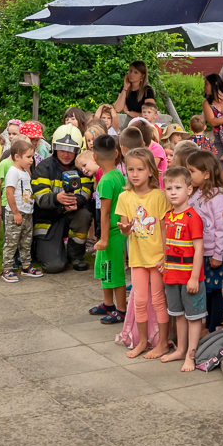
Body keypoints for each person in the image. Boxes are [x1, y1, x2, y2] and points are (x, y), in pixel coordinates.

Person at [116, 148, 171, 358]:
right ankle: (141, 342)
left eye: (140, 169)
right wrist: (125, 229)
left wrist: (166, 256)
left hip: (157, 258)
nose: (135, 174)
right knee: (139, 301)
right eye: (131, 169)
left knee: (158, 301)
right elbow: (125, 229)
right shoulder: (124, 197)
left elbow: (165, 228)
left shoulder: (159, 196)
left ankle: (163, 343)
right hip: (137, 259)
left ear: (150, 171)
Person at [159, 166, 207, 370]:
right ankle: (180, 349)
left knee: (193, 317)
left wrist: (194, 277)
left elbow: (199, 249)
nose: (173, 192)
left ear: (189, 189)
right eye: (169, 188)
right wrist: (164, 261)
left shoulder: (192, 217)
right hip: (172, 276)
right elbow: (168, 244)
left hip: (189, 278)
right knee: (178, 314)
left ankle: (191, 354)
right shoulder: (168, 216)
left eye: (178, 188)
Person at [30, 124, 95, 270]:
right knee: (54, 267)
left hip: (71, 213)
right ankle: (39, 248)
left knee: (83, 215)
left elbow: (84, 193)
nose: (66, 154)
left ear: (77, 150)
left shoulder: (83, 168)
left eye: (71, 150)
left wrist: (72, 202)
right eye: (62, 149)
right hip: (47, 220)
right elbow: (40, 198)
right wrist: (57, 199)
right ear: (54, 148)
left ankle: (76, 256)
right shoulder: (43, 168)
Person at [186, 150, 223, 333]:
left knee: (214, 293)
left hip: (212, 254)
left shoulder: (217, 198)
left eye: (192, 171)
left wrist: (218, 254)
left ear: (206, 174)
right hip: (198, 253)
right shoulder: (195, 194)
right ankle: (206, 325)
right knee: (203, 293)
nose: (189, 175)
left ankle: (213, 328)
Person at [90, 134, 129, 324]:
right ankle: (108, 304)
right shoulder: (118, 175)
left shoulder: (106, 180)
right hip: (112, 232)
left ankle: (121, 310)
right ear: (116, 154)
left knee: (114, 271)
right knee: (105, 268)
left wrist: (104, 239)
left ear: (94, 157)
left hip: (112, 233)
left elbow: (104, 213)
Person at [0, 140, 41, 281]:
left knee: (26, 241)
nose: (31, 160)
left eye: (32, 157)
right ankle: (7, 268)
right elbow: (9, 193)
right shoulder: (13, 172)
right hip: (15, 213)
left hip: (27, 212)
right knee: (11, 242)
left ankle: (26, 265)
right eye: (28, 157)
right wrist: (15, 212)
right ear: (17, 157)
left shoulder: (25, 172)